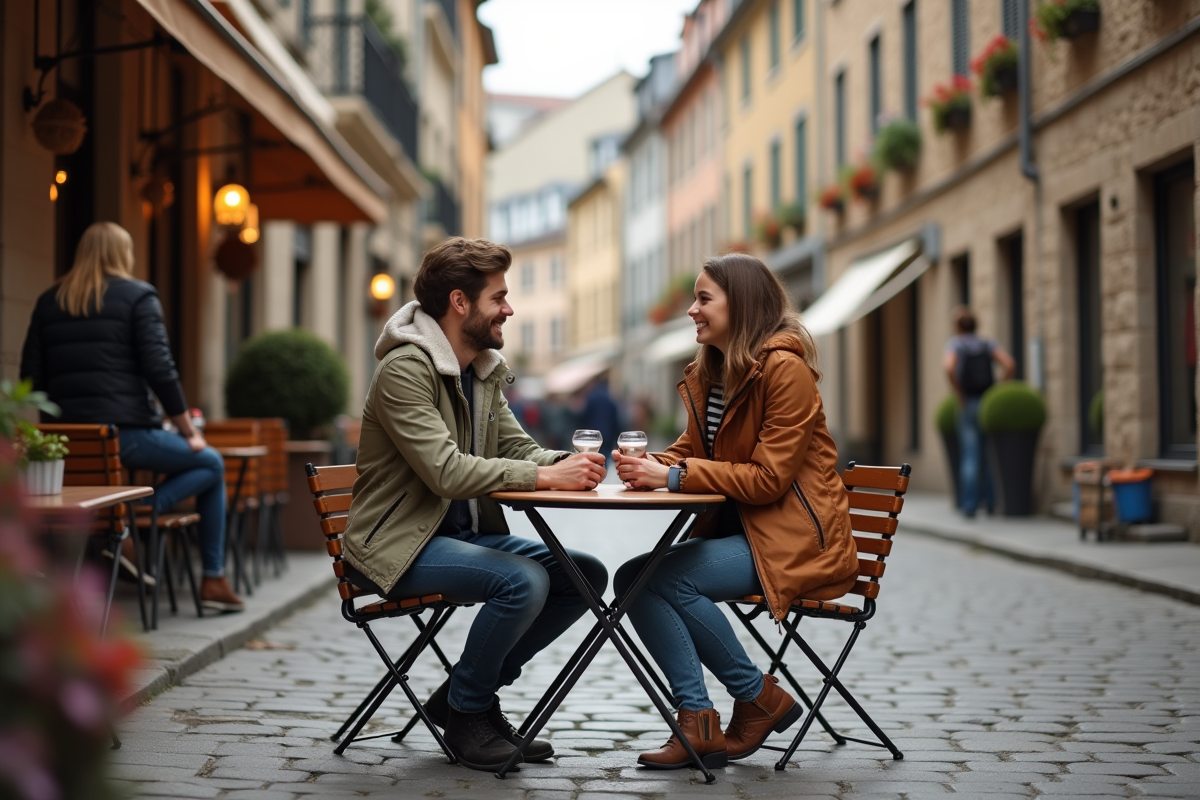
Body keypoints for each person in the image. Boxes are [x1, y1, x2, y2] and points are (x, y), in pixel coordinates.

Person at [341, 237, 608, 772]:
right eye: (499, 297)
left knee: (584, 574)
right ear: (460, 302)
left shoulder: (481, 369)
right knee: (522, 581)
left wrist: (567, 464)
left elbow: (518, 449)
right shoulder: (405, 370)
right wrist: (544, 476)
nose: (509, 309)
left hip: (457, 538)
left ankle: (466, 695)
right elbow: (445, 471)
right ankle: (469, 713)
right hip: (396, 546)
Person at [610, 253, 860, 770]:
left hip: (794, 541)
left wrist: (674, 477)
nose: (691, 310)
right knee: (634, 578)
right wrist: (650, 465)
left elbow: (769, 479)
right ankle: (704, 719)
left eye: (704, 299)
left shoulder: (785, 371)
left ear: (740, 304)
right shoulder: (714, 371)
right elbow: (690, 451)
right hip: (748, 533)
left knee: (667, 580)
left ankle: (752, 698)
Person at [19, 221, 243, 613]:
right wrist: (188, 430)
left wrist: (59, 427)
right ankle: (206, 573)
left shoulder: (49, 301)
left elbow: (30, 378)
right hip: (127, 435)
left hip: (68, 444)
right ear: (123, 254)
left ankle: (123, 526)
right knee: (210, 462)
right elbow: (160, 369)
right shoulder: (139, 296)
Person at [942, 306, 1015, 518]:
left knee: (970, 454)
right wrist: (997, 389)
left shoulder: (956, 344)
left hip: (969, 403)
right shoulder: (986, 343)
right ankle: (990, 503)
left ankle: (970, 505)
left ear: (958, 327)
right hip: (986, 403)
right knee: (988, 453)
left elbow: (949, 368)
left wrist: (959, 394)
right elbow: (1009, 364)